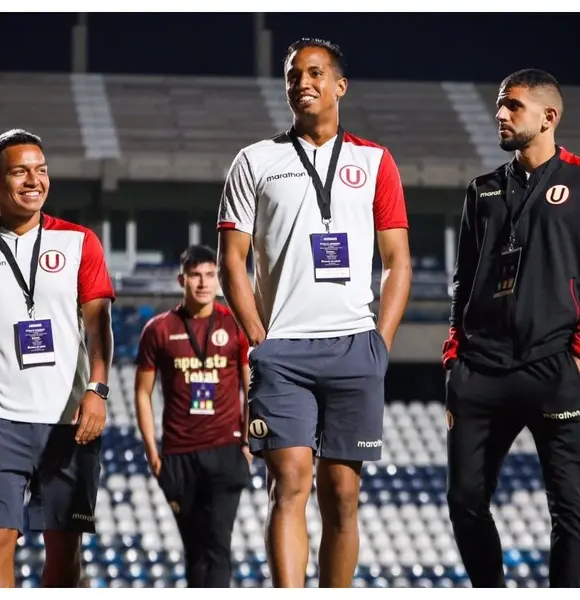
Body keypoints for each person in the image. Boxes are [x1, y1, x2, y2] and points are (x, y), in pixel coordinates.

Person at [216, 38, 413, 588]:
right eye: (293, 74)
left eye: (316, 72)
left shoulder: (374, 161)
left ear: (339, 86)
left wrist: (382, 341)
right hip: (283, 349)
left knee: (343, 495)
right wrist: (259, 337)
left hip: (355, 346)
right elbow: (231, 261)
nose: (303, 82)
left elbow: (398, 262)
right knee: (290, 482)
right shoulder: (255, 160)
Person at [441, 68, 580, 588]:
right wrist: (455, 353)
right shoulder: (481, 191)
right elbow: (464, 279)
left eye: (512, 106)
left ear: (548, 117)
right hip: (480, 370)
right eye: (499, 105)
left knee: (569, 513)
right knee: (464, 501)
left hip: (554, 367)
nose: (499, 114)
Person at [0, 128, 115, 588]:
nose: (34, 180)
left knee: (65, 547)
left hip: (68, 420)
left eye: (41, 170)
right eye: (20, 172)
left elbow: (99, 328)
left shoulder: (80, 242)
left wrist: (97, 389)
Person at [133, 244, 253, 588]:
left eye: (210, 275)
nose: (203, 283)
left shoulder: (235, 324)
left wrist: (246, 442)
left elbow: (249, 386)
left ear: (219, 279)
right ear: (181, 279)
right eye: (195, 276)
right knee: (194, 551)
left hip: (225, 450)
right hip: (178, 456)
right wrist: (152, 452)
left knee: (218, 545)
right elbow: (142, 392)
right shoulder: (158, 329)